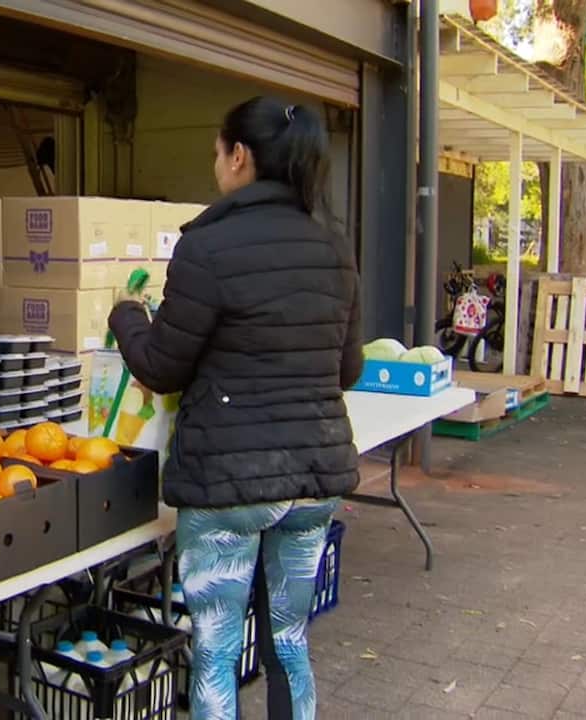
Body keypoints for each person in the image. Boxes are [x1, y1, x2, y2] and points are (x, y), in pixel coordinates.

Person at [107, 97, 363, 719]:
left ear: (239, 156)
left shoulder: (208, 246)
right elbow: (347, 368)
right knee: (291, 640)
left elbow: (163, 364)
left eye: (219, 152)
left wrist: (125, 317)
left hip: (229, 485)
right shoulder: (334, 246)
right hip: (313, 481)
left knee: (217, 654)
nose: (217, 164)